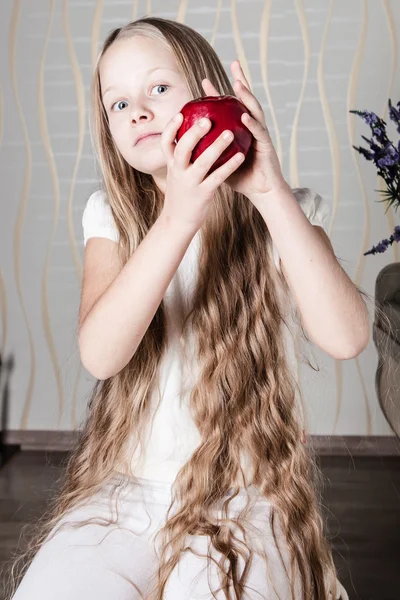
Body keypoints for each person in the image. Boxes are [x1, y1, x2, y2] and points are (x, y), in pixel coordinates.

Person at [6, 16, 370, 600]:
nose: (138, 111)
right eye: (118, 103)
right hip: (126, 493)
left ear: (209, 94)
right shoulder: (113, 216)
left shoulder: (283, 211)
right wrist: (178, 216)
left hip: (244, 496)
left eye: (157, 88)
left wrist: (272, 195)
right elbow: (101, 355)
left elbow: (348, 336)